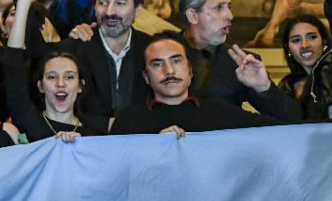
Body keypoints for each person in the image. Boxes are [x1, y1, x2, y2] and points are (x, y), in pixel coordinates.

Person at [0, 0, 109, 141]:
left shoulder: (94, 133)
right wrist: (23, 4)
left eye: (69, 77)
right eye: (51, 77)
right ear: (41, 86)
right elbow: (14, 62)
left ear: (80, 86)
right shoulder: (28, 119)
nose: (60, 83)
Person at [176, 0, 301, 121]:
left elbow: (292, 118)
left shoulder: (242, 63)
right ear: (193, 15)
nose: (230, 16)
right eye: (219, 7)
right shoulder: (155, 56)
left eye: (229, 7)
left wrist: (264, 87)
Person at [111, 33, 280, 134]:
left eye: (176, 61)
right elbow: (115, 174)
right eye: (157, 64)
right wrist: (155, 149)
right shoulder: (128, 121)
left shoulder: (220, 112)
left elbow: (294, 130)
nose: (169, 71)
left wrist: (265, 87)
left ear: (191, 71)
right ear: (146, 77)